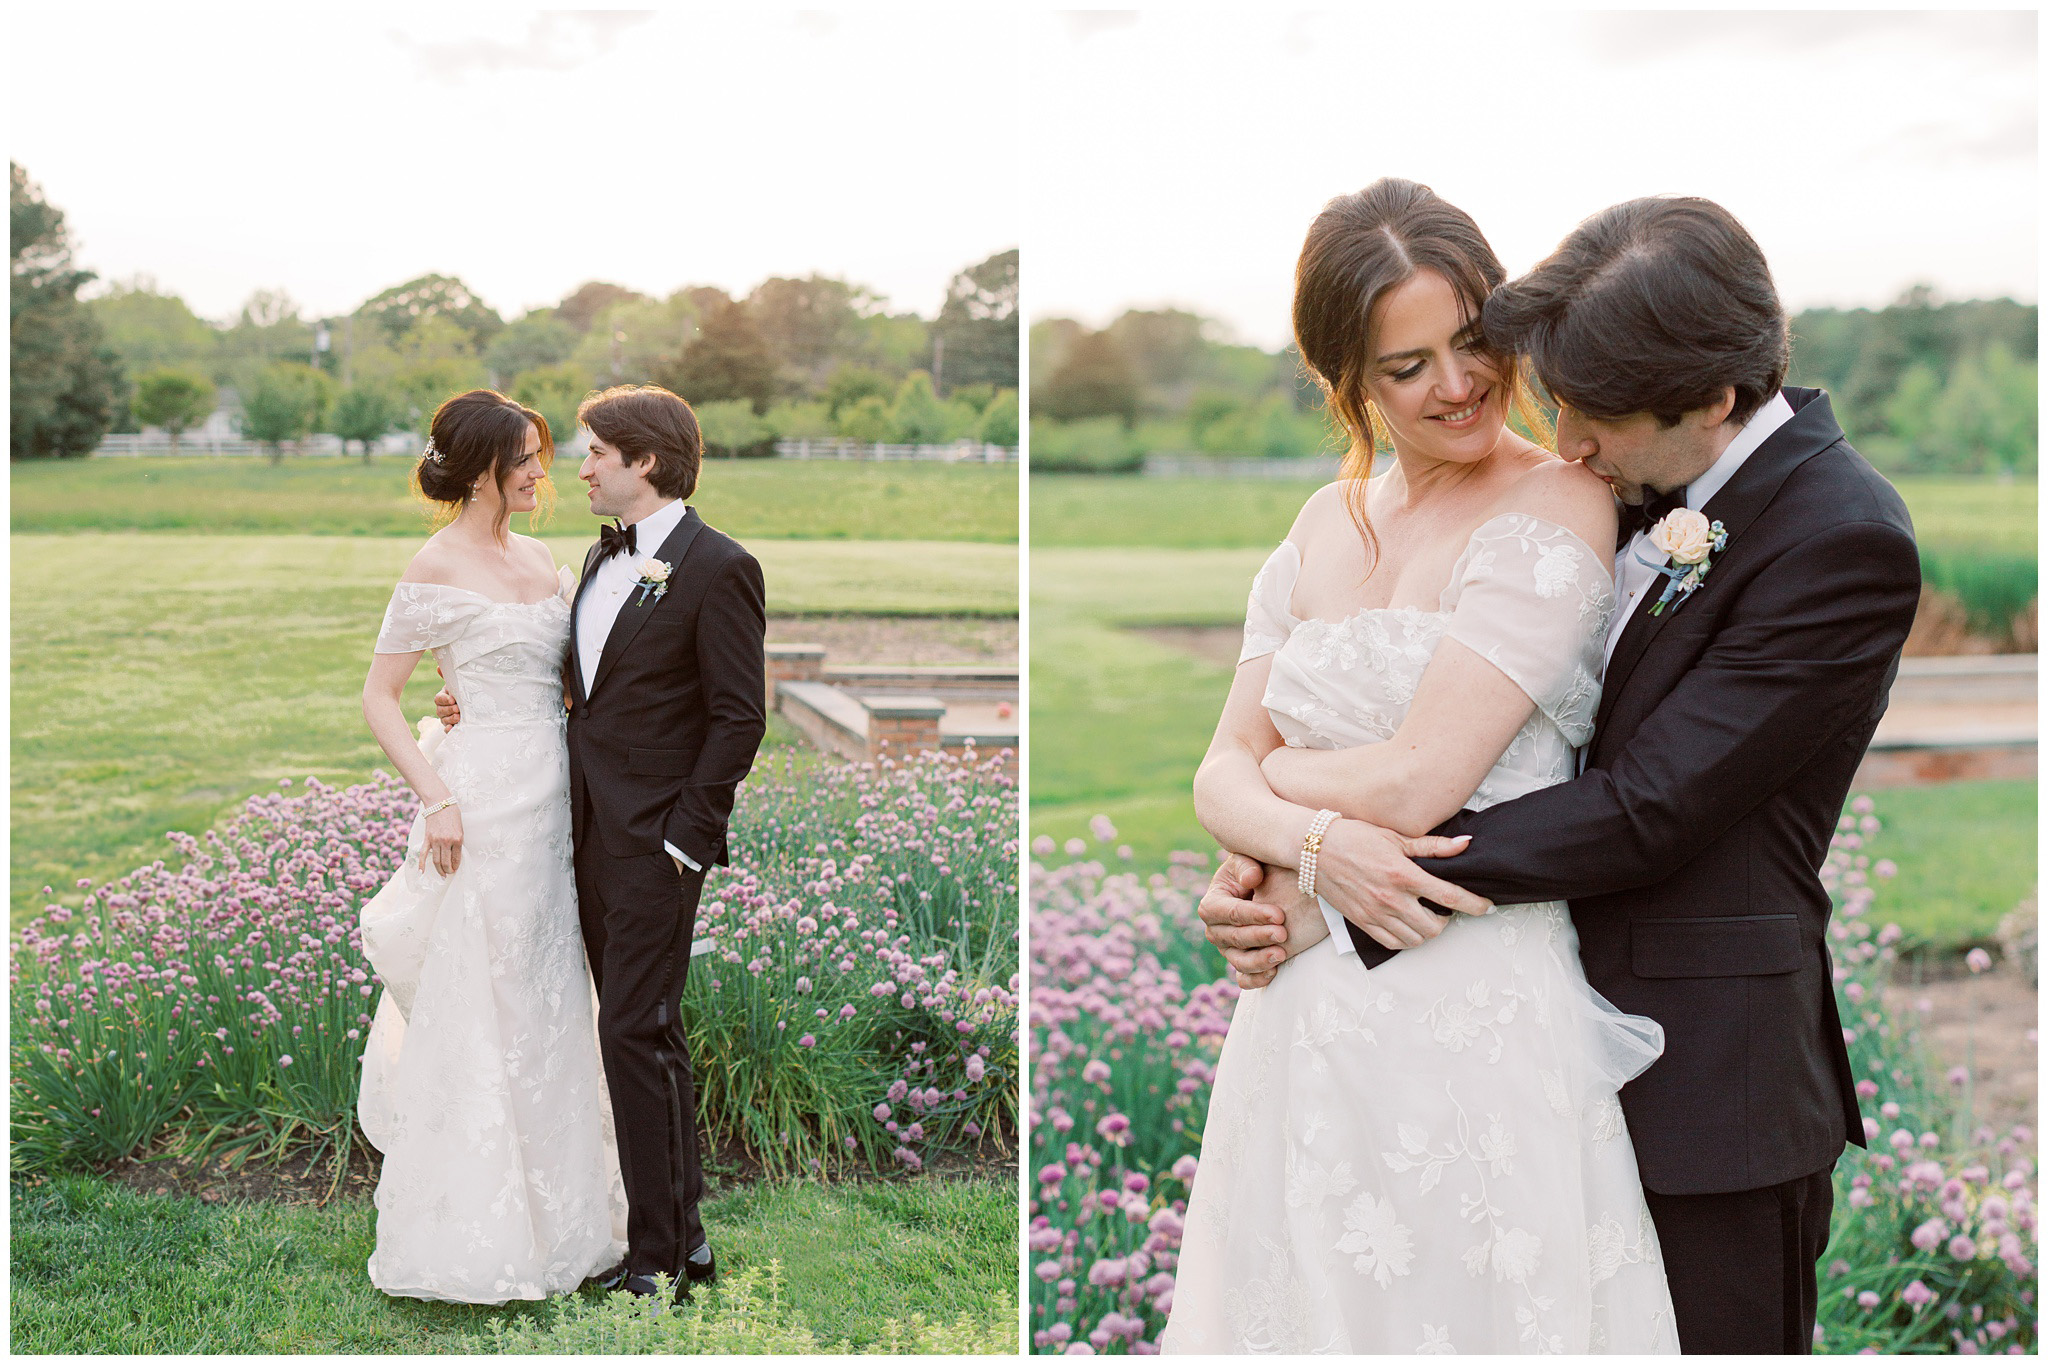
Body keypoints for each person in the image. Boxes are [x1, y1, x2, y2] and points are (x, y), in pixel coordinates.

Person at [1200, 194, 1921, 1354]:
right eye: (1406, 364)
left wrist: (1334, 873)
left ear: (1713, 401)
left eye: (1591, 414)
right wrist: (1286, 849)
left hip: (1704, 1078)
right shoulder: (1648, 477)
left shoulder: (1835, 536)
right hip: (1511, 1038)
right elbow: (1253, 760)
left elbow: (1646, 808)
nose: (1568, 438)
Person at [1161, 179, 1678, 1355]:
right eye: (1405, 367)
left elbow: (1411, 783)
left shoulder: (1557, 504)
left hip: (1467, 1005)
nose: (1455, 386)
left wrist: (1277, 809)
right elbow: (1214, 772)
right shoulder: (1318, 525)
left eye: (1470, 343)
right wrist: (1302, 844)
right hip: (1300, 1014)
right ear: (1346, 381)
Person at [437, 383, 767, 1306]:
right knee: (642, 1035)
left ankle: (657, 1260)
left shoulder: (719, 567)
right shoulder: (600, 554)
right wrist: (471, 702)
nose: (576, 468)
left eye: (592, 453)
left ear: (644, 462)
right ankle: (685, 1237)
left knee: (633, 1028)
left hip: (655, 844)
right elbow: (582, 690)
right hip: (574, 830)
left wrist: (686, 841)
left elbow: (739, 718)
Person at [357, 388, 626, 1304]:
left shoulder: (545, 555)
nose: (542, 473)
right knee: (485, 998)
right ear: (479, 466)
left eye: (544, 456)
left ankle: (571, 1219)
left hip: (554, 796)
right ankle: (476, 1227)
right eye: (525, 458)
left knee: (554, 995)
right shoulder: (434, 565)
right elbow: (379, 697)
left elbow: (564, 678)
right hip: (478, 807)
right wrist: (435, 795)